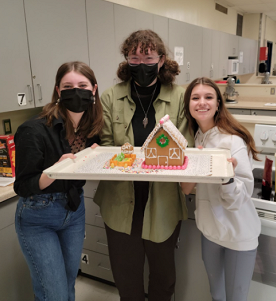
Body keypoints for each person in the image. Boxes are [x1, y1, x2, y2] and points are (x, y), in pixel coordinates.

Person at [93, 29, 193, 301]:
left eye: (148, 58)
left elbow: (183, 146)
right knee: (127, 281)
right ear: (126, 60)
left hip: (163, 201)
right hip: (120, 201)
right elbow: (105, 146)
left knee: (163, 279)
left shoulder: (180, 96)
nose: (141, 64)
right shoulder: (111, 97)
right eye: (134, 58)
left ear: (161, 60)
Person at [14, 61, 103, 301]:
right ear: (58, 91)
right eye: (68, 86)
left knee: (68, 285)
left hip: (74, 211)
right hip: (38, 215)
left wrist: (97, 156)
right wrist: (53, 171)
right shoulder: (33, 130)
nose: (76, 91)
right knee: (53, 294)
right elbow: (22, 186)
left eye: (82, 85)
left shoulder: (91, 127)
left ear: (93, 90)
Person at [181, 77, 261, 301]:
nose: (202, 103)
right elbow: (186, 189)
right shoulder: (198, 137)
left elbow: (238, 200)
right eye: (195, 98)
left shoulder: (232, 141)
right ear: (188, 105)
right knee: (216, 294)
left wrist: (227, 179)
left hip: (238, 233)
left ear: (218, 104)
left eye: (209, 97)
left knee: (236, 297)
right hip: (211, 231)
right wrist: (190, 164)